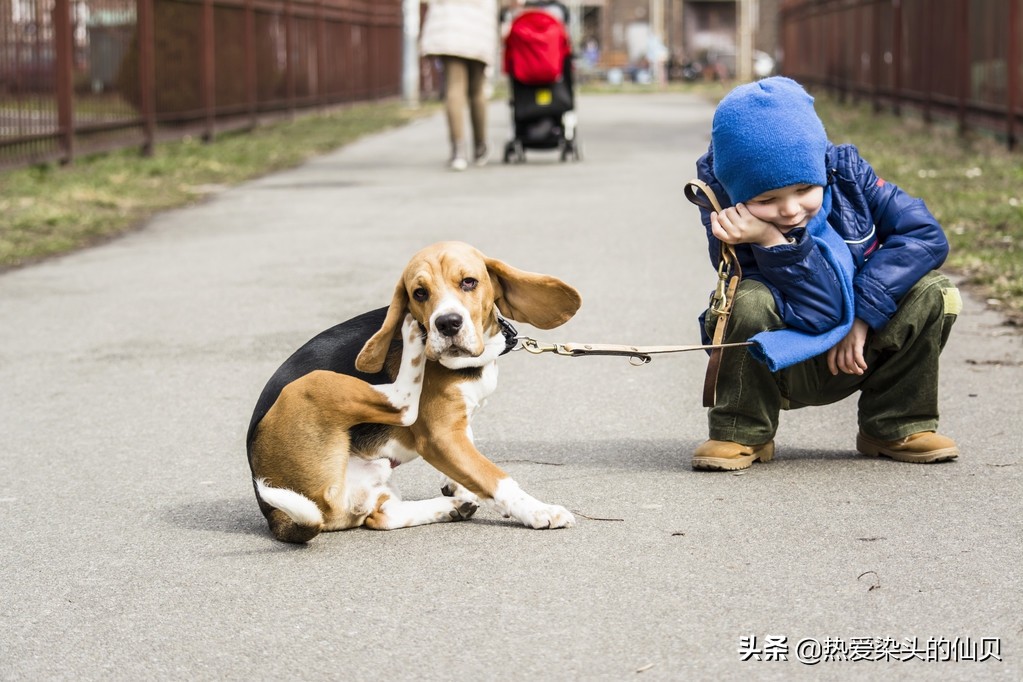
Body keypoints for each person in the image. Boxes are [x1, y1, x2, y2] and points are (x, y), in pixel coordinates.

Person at [690, 76, 962, 471]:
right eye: (767, 200)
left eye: (804, 190)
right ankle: (741, 430)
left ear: (820, 168)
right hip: (783, 360)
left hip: (856, 353)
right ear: (740, 194)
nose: (790, 210)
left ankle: (896, 424)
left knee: (933, 290)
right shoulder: (727, 211)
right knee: (750, 299)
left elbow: (925, 236)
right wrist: (769, 239)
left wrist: (864, 315)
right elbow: (818, 311)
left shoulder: (847, 173)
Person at [420, 0, 498, 171]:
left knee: (455, 86)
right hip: (479, 25)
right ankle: (480, 147)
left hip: (449, 24)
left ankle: (458, 151)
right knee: (477, 89)